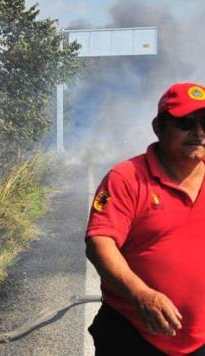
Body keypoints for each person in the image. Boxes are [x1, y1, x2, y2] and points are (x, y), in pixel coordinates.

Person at [85, 82, 205, 356]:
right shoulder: (126, 177)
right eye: (186, 122)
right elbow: (99, 242)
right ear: (158, 127)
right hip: (134, 335)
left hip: (199, 339)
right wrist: (142, 294)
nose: (198, 132)